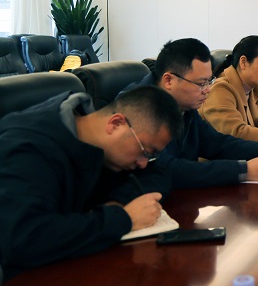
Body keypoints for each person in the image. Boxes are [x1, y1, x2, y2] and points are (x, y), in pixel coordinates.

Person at [0, 86, 182, 274]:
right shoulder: (27, 149)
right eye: (145, 152)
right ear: (116, 123)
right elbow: (23, 239)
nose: (143, 163)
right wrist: (123, 218)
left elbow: (160, 173)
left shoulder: (96, 142)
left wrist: (117, 202)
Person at [124, 38, 258, 195]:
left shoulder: (184, 104)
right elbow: (166, 168)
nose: (208, 90)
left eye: (209, 81)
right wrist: (243, 170)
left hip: (180, 197)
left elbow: (214, 142)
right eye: (201, 84)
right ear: (169, 80)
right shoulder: (138, 108)